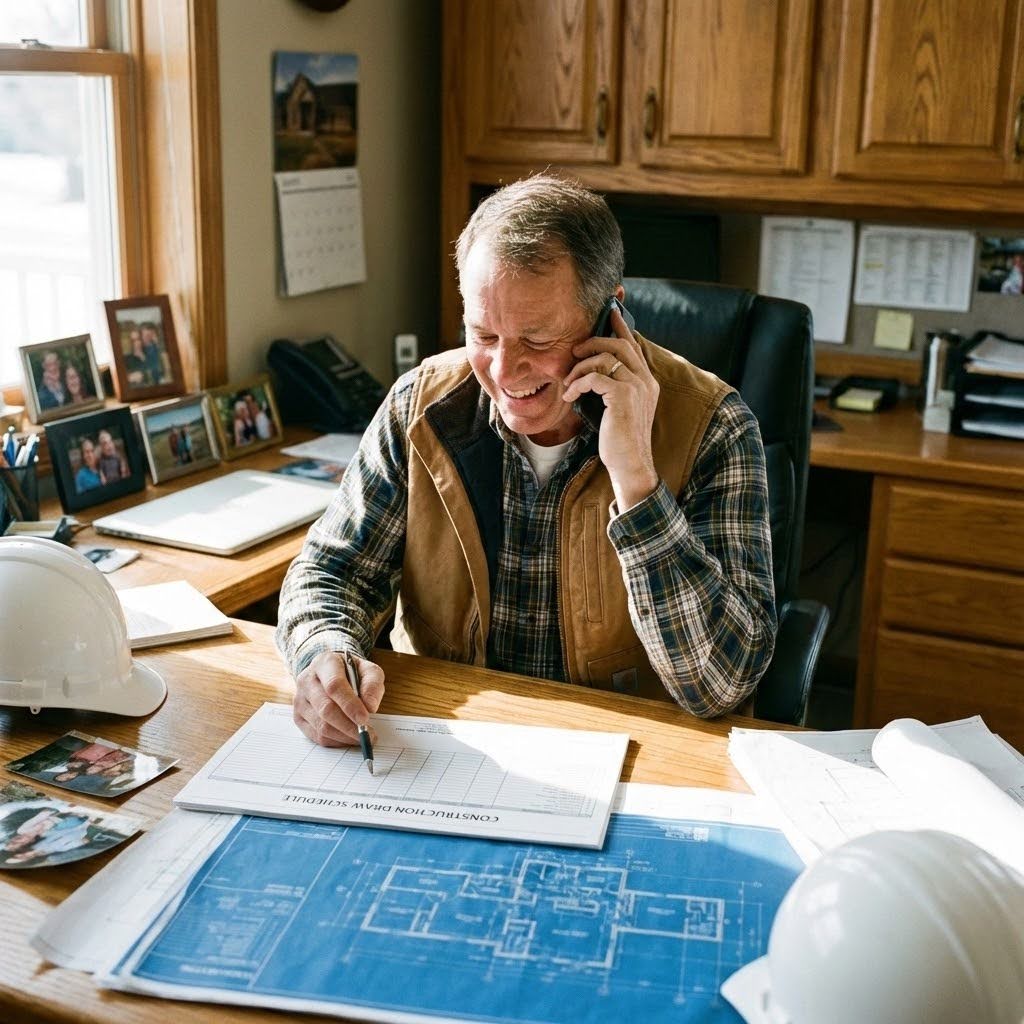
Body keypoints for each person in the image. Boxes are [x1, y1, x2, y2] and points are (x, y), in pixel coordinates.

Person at [276, 174, 776, 749]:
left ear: (610, 317)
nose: (504, 371)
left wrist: (637, 479)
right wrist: (325, 651)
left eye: (537, 340)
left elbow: (721, 684)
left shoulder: (715, 425)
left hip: (629, 757)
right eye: (483, 333)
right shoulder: (419, 407)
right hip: (448, 750)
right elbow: (332, 572)